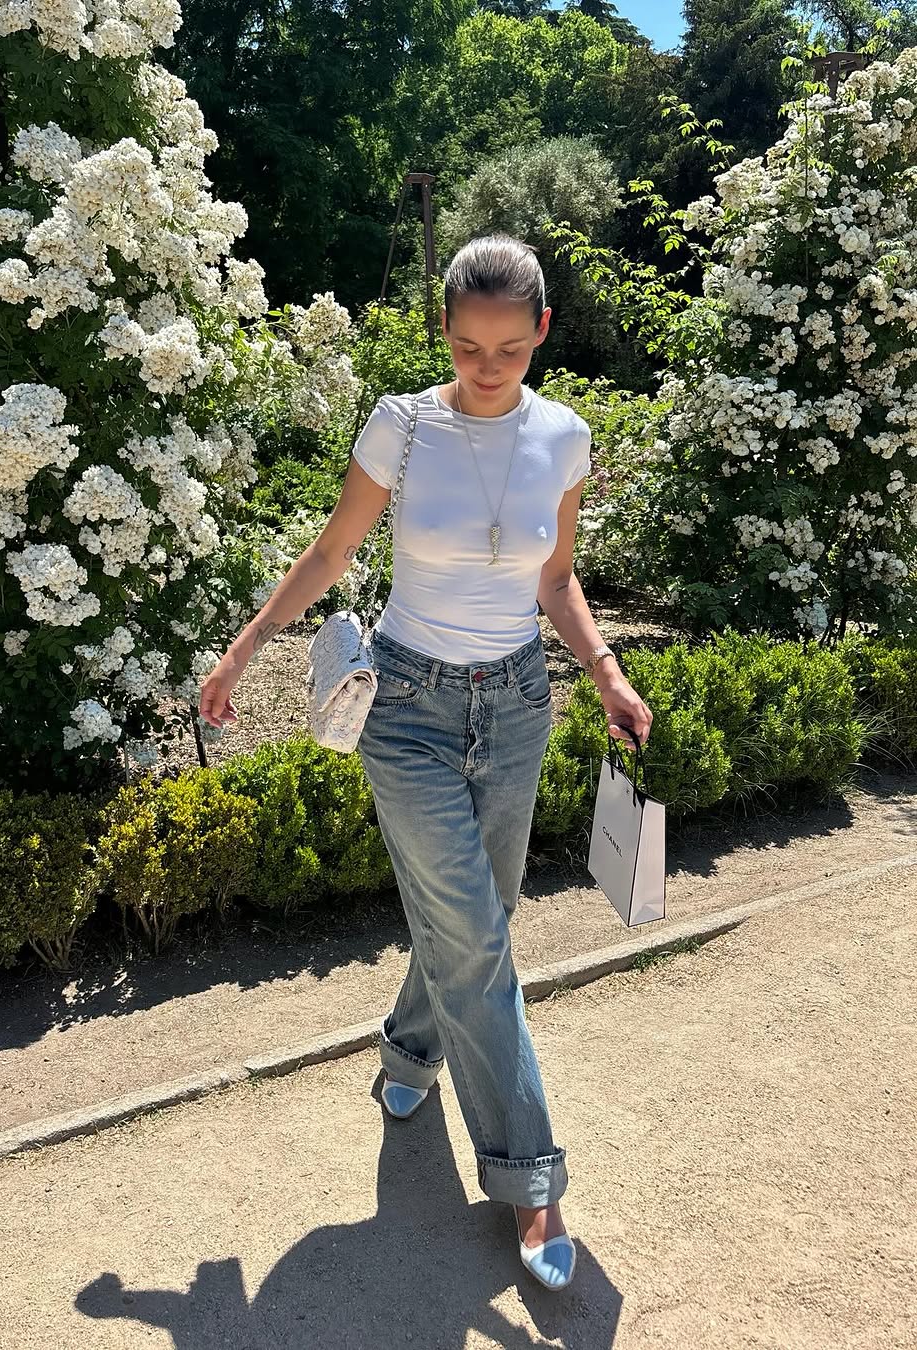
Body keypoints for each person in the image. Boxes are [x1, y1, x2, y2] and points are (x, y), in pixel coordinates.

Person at [200, 233, 653, 1292]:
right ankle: (532, 1178)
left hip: (518, 704)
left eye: (509, 349)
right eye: (465, 346)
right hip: (405, 710)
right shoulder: (402, 425)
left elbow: (556, 579)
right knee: (480, 942)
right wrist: (245, 647)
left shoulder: (565, 437)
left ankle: (410, 1049)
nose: (487, 368)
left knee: (481, 911)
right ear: (442, 330)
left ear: (542, 331)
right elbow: (332, 550)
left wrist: (605, 672)